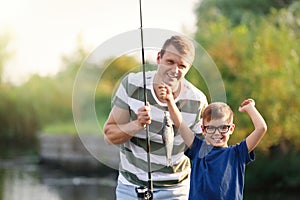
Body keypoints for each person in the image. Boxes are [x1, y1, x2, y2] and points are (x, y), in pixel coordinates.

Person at [103, 35, 208, 199]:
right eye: (170, 62)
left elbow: (202, 151)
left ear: (189, 67)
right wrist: (137, 124)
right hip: (131, 188)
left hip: (176, 190)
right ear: (159, 58)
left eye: (182, 66)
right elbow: (109, 136)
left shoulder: (197, 100)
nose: (175, 70)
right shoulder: (132, 84)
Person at [158, 83, 267, 200]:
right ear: (203, 130)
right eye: (211, 128)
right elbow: (180, 123)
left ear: (231, 129)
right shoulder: (198, 149)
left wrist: (250, 108)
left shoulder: (237, 153)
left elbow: (261, 128)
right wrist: (169, 101)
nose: (217, 133)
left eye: (223, 127)